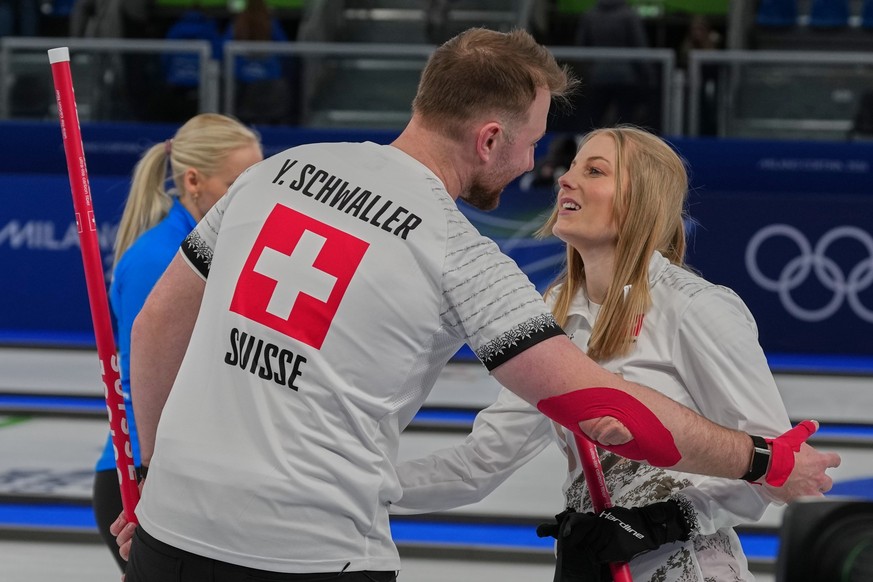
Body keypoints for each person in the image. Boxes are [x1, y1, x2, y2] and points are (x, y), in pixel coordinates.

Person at [111, 28, 838, 581]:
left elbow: (156, 326)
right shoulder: (467, 258)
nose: (536, 168)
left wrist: (150, 478)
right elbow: (593, 410)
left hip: (170, 533)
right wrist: (760, 457)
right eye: (533, 144)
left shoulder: (278, 170)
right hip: (311, 550)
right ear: (489, 138)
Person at [392, 125, 803, 580]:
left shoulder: (694, 306)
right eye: (571, 168)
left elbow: (776, 464)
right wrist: (361, 488)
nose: (566, 179)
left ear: (639, 198)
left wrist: (662, 522)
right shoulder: (554, 314)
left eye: (594, 170)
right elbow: (482, 462)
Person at [93, 113, 262, 571]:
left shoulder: (217, 247)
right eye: (236, 184)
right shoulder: (158, 259)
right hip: (144, 477)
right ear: (193, 181)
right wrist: (151, 477)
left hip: (192, 472)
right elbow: (150, 381)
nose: (255, 199)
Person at [562, 0, 656, 133]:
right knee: (625, 122)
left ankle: (585, 146)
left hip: (598, 76)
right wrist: (648, 77)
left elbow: (581, 46)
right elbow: (639, 47)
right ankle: (623, 150)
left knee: (592, 119)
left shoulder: (590, 15)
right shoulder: (629, 15)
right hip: (625, 77)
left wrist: (590, 70)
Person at [224, 0, 296, 126]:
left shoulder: (237, 24)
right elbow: (284, 50)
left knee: (245, 120)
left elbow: (222, 48)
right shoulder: (271, 24)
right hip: (267, 80)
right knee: (268, 118)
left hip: (244, 80)